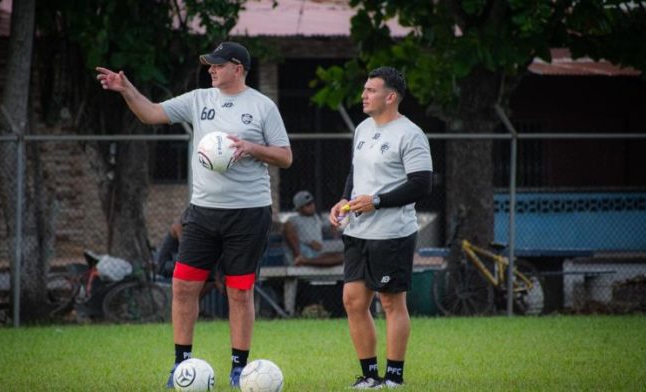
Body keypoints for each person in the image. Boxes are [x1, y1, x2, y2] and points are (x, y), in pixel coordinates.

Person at [96, 41, 292, 389]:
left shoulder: (262, 107)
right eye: (210, 66)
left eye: (218, 65)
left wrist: (250, 148)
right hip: (202, 212)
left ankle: (238, 369)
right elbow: (152, 113)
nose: (211, 70)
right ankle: (181, 365)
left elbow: (284, 156)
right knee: (184, 286)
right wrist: (127, 90)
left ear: (237, 67)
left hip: (248, 213)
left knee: (239, 292)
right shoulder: (199, 99)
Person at [328, 66, 432, 389]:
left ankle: (394, 378)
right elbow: (355, 174)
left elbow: (421, 184)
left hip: (392, 234)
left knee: (390, 303)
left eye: (371, 90)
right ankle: (370, 376)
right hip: (357, 232)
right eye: (364, 89)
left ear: (390, 96)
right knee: (353, 301)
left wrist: (377, 201)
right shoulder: (362, 129)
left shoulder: (410, 133)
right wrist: (343, 200)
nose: (364, 95)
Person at [283, 190, 343, 267]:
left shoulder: (317, 218)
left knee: (341, 257)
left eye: (312, 202)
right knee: (287, 226)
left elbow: (331, 226)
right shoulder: (294, 219)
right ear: (299, 208)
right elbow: (287, 230)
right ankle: (300, 258)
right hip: (303, 249)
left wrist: (334, 224)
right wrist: (309, 242)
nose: (312, 206)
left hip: (318, 253)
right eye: (308, 204)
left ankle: (305, 261)